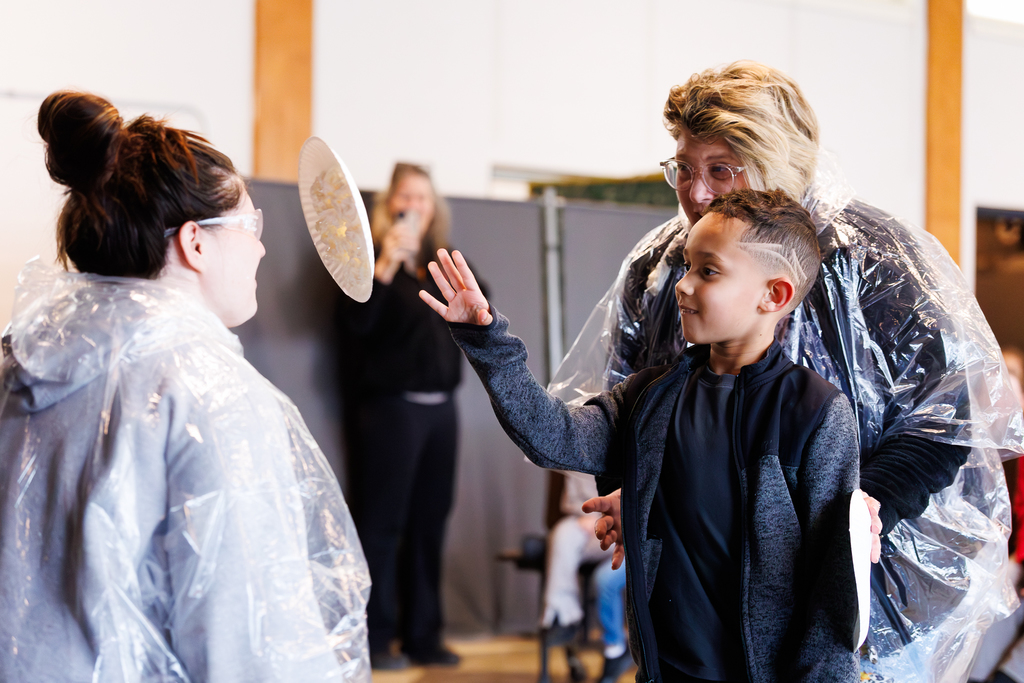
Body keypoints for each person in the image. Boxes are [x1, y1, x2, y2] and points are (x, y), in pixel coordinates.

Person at [549, 61, 1024, 682]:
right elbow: (628, 410)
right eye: (683, 169)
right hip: (699, 609)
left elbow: (945, 416)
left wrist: (863, 511)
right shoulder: (663, 270)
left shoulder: (878, 265)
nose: (694, 193)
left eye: (720, 169)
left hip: (871, 600)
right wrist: (635, 489)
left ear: (779, 164)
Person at [0, 92, 371, 682]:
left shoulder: (17, 366)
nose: (262, 246)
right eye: (252, 225)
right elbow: (253, 649)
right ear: (195, 242)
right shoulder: (212, 395)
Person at [422, 189, 864, 683]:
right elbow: (552, 435)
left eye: (708, 271)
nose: (684, 284)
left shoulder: (817, 413)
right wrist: (488, 343)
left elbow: (834, 592)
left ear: (774, 295)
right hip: (664, 671)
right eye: (687, 266)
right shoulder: (650, 397)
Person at [335, 162, 462, 669]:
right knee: (381, 525)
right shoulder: (366, 264)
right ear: (390, 204)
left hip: (441, 414)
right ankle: (374, 639)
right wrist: (385, 266)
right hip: (391, 411)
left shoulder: (445, 265)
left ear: (434, 209)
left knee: (430, 525)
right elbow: (355, 325)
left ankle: (423, 637)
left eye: (424, 198)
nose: (415, 206)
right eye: (406, 197)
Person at [542, 473, 631, 683]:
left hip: (627, 530)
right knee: (562, 534)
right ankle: (563, 614)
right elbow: (571, 504)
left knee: (604, 580)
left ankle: (616, 647)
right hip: (588, 527)